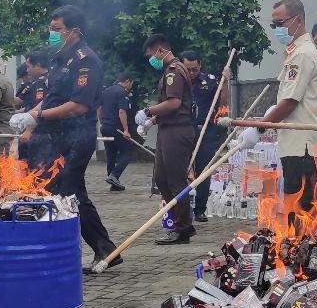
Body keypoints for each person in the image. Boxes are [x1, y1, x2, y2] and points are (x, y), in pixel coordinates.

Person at [17, 4, 119, 270]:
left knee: (67, 193)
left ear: (73, 31)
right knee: (63, 192)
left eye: (56, 29)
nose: (52, 34)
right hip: (54, 137)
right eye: (51, 29)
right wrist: (29, 115)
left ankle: (67, 253)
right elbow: (52, 99)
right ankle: (105, 250)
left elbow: (78, 106)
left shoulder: (87, 61)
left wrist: (37, 117)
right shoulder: (59, 58)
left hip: (77, 137)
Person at [256, 0, 317, 220]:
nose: (277, 29)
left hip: (303, 146)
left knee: (300, 210)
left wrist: (259, 127)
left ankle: (302, 251)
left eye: (281, 23)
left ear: (298, 20)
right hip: (298, 145)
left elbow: (290, 102)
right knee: (299, 208)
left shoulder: (303, 53)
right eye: (274, 25)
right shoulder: (296, 52)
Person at [140, 33, 196, 244]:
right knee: (162, 179)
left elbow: (173, 103)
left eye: (151, 55)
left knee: (175, 180)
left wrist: (147, 111)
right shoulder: (170, 70)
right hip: (168, 129)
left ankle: (182, 229)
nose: (150, 60)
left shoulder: (174, 71)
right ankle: (180, 223)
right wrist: (152, 120)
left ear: (160, 51)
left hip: (177, 131)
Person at [183, 49, 229, 220]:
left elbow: (223, 103)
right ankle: (181, 207)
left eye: (194, 69)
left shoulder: (209, 81)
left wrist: (225, 82)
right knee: (181, 171)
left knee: (203, 171)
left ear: (200, 65)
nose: (191, 73)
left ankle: (200, 209)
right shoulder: (178, 80)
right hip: (184, 131)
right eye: (188, 69)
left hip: (205, 131)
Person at [98, 72, 135, 191]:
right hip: (116, 129)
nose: (131, 86)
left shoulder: (106, 91)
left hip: (105, 128)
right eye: (131, 83)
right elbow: (122, 112)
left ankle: (113, 182)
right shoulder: (122, 92)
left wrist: (102, 122)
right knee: (128, 151)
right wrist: (126, 130)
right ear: (127, 81)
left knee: (111, 154)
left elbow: (99, 108)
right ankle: (114, 175)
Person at [16, 51, 49, 166]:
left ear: (38, 65)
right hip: (33, 131)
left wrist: (29, 130)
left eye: (29, 66)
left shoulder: (44, 82)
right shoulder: (35, 83)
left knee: (38, 170)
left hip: (41, 132)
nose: (27, 70)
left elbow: (41, 107)